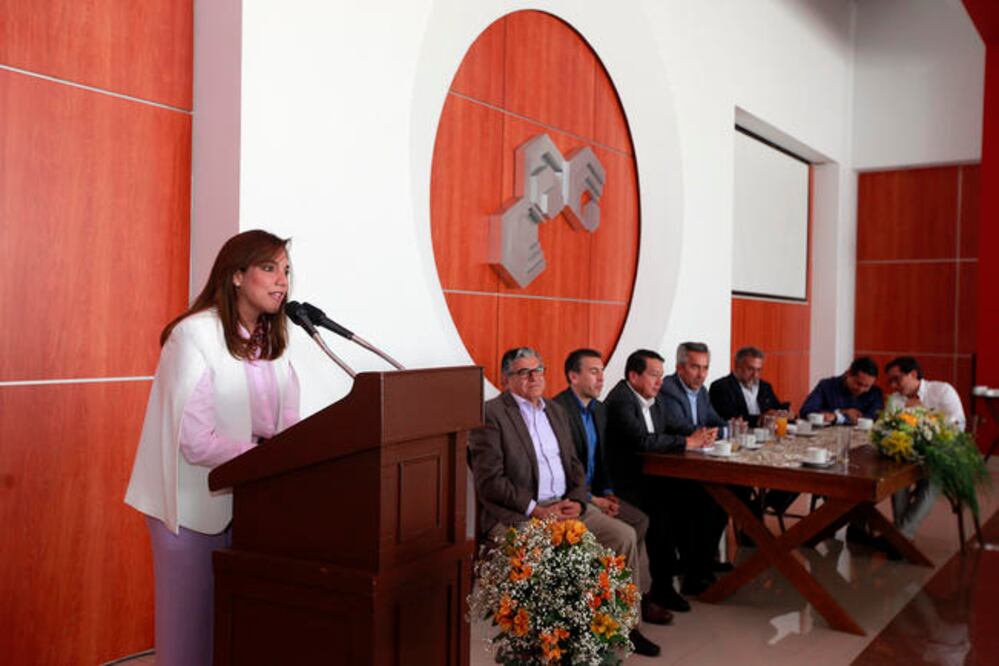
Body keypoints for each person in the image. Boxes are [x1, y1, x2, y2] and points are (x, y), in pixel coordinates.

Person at [124, 230, 301, 666]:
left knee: (234, 633)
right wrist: (269, 456)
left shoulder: (270, 342)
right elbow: (196, 440)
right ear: (236, 275)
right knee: (189, 639)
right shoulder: (194, 335)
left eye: (286, 270)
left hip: (250, 507)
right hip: (189, 509)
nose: (282, 281)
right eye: (269, 268)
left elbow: (291, 426)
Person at [469, 347, 663, 657]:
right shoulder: (491, 414)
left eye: (539, 370)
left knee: (624, 536)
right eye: (524, 372)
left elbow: (574, 466)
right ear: (507, 379)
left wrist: (578, 500)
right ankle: (552, 645)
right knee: (549, 561)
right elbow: (490, 482)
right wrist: (538, 510)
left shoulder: (554, 410)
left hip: (566, 506)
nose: (534, 377)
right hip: (521, 514)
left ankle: (625, 629)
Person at [553, 349, 671, 626]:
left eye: (602, 371)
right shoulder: (557, 411)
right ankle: (619, 608)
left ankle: (615, 593)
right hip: (572, 498)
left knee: (641, 520)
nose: (601, 378)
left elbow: (603, 460)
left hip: (598, 493)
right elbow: (562, 471)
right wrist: (593, 499)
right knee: (627, 532)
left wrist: (607, 492)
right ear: (573, 376)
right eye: (593, 371)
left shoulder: (599, 409)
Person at [604, 349, 725, 610]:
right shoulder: (621, 400)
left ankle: (693, 572)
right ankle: (663, 587)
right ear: (634, 376)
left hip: (651, 477)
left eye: (661, 375)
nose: (660, 381)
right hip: (623, 483)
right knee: (663, 515)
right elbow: (642, 441)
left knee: (701, 499)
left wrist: (700, 435)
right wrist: (686, 442)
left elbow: (675, 427)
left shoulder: (654, 398)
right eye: (654, 375)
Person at [886, 356, 967, 538]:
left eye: (896, 379)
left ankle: (901, 535)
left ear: (913, 374)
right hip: (908, 456)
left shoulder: (942, 390)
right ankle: (902, 536)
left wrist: (922, 413)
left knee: (933, 476)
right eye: (890, 381)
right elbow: (890, 430)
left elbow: (957, 426)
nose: (893, 386)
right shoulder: (895, 400)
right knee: (896, 475)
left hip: (943, 453)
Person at [709, 346, 791, 427]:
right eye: (750, 369)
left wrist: (783, 412)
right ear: (737, 367)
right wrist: (760, 419)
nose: (755, 375)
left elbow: (776, 408)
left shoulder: (765, 387)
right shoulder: (721, 387)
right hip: (738, 436)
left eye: (759, 370)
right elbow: (730, 418)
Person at [660, 342, 727, 430]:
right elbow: (682, 428)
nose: (701, 375)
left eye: (705, 368)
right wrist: (719, 432)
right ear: (679, 368)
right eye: (695, 367)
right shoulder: (668, 388)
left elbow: (717, 421)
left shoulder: (702, 391)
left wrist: (729, 428)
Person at [799, 357, 883, 425]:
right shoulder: (826, 386)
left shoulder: (875, 393)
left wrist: (837, 417)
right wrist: (841, 413)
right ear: (848, 373)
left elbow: (872, 419)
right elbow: (806, 411)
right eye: (858, 384)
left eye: (866, 386)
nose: (861, 389)